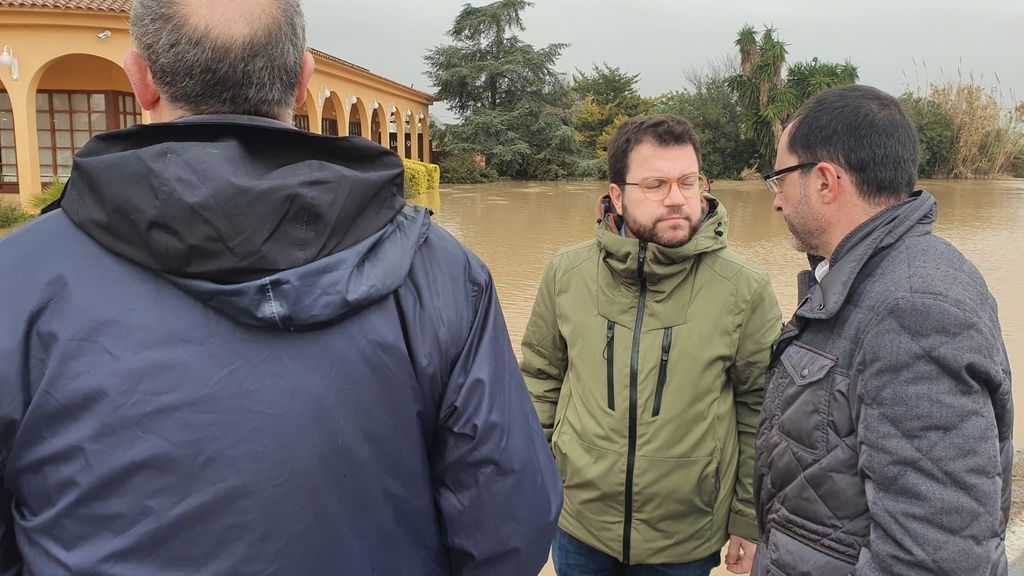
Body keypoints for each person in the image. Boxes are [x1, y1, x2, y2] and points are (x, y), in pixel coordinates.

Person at [0, 1, 561, 574]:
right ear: (302, 81)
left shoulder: (16, 278)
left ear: (140, 79)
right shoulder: (441, 273)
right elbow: (509, 527)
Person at [753, 85, 1013, 575]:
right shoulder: (867, 277)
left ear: (826, 181)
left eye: (780, 179)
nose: (777, 202)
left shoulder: (913, 308)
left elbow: (935, 557)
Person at [521, 114, 782, 575]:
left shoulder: (745, 287)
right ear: (617, 197)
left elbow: (759, 409)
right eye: (656, 184)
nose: (677, 198)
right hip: (579, 526)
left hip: (686, 537)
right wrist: (535, 487)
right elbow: (540, 380)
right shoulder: (566, 273)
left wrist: (749, 515)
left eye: (688, 180)